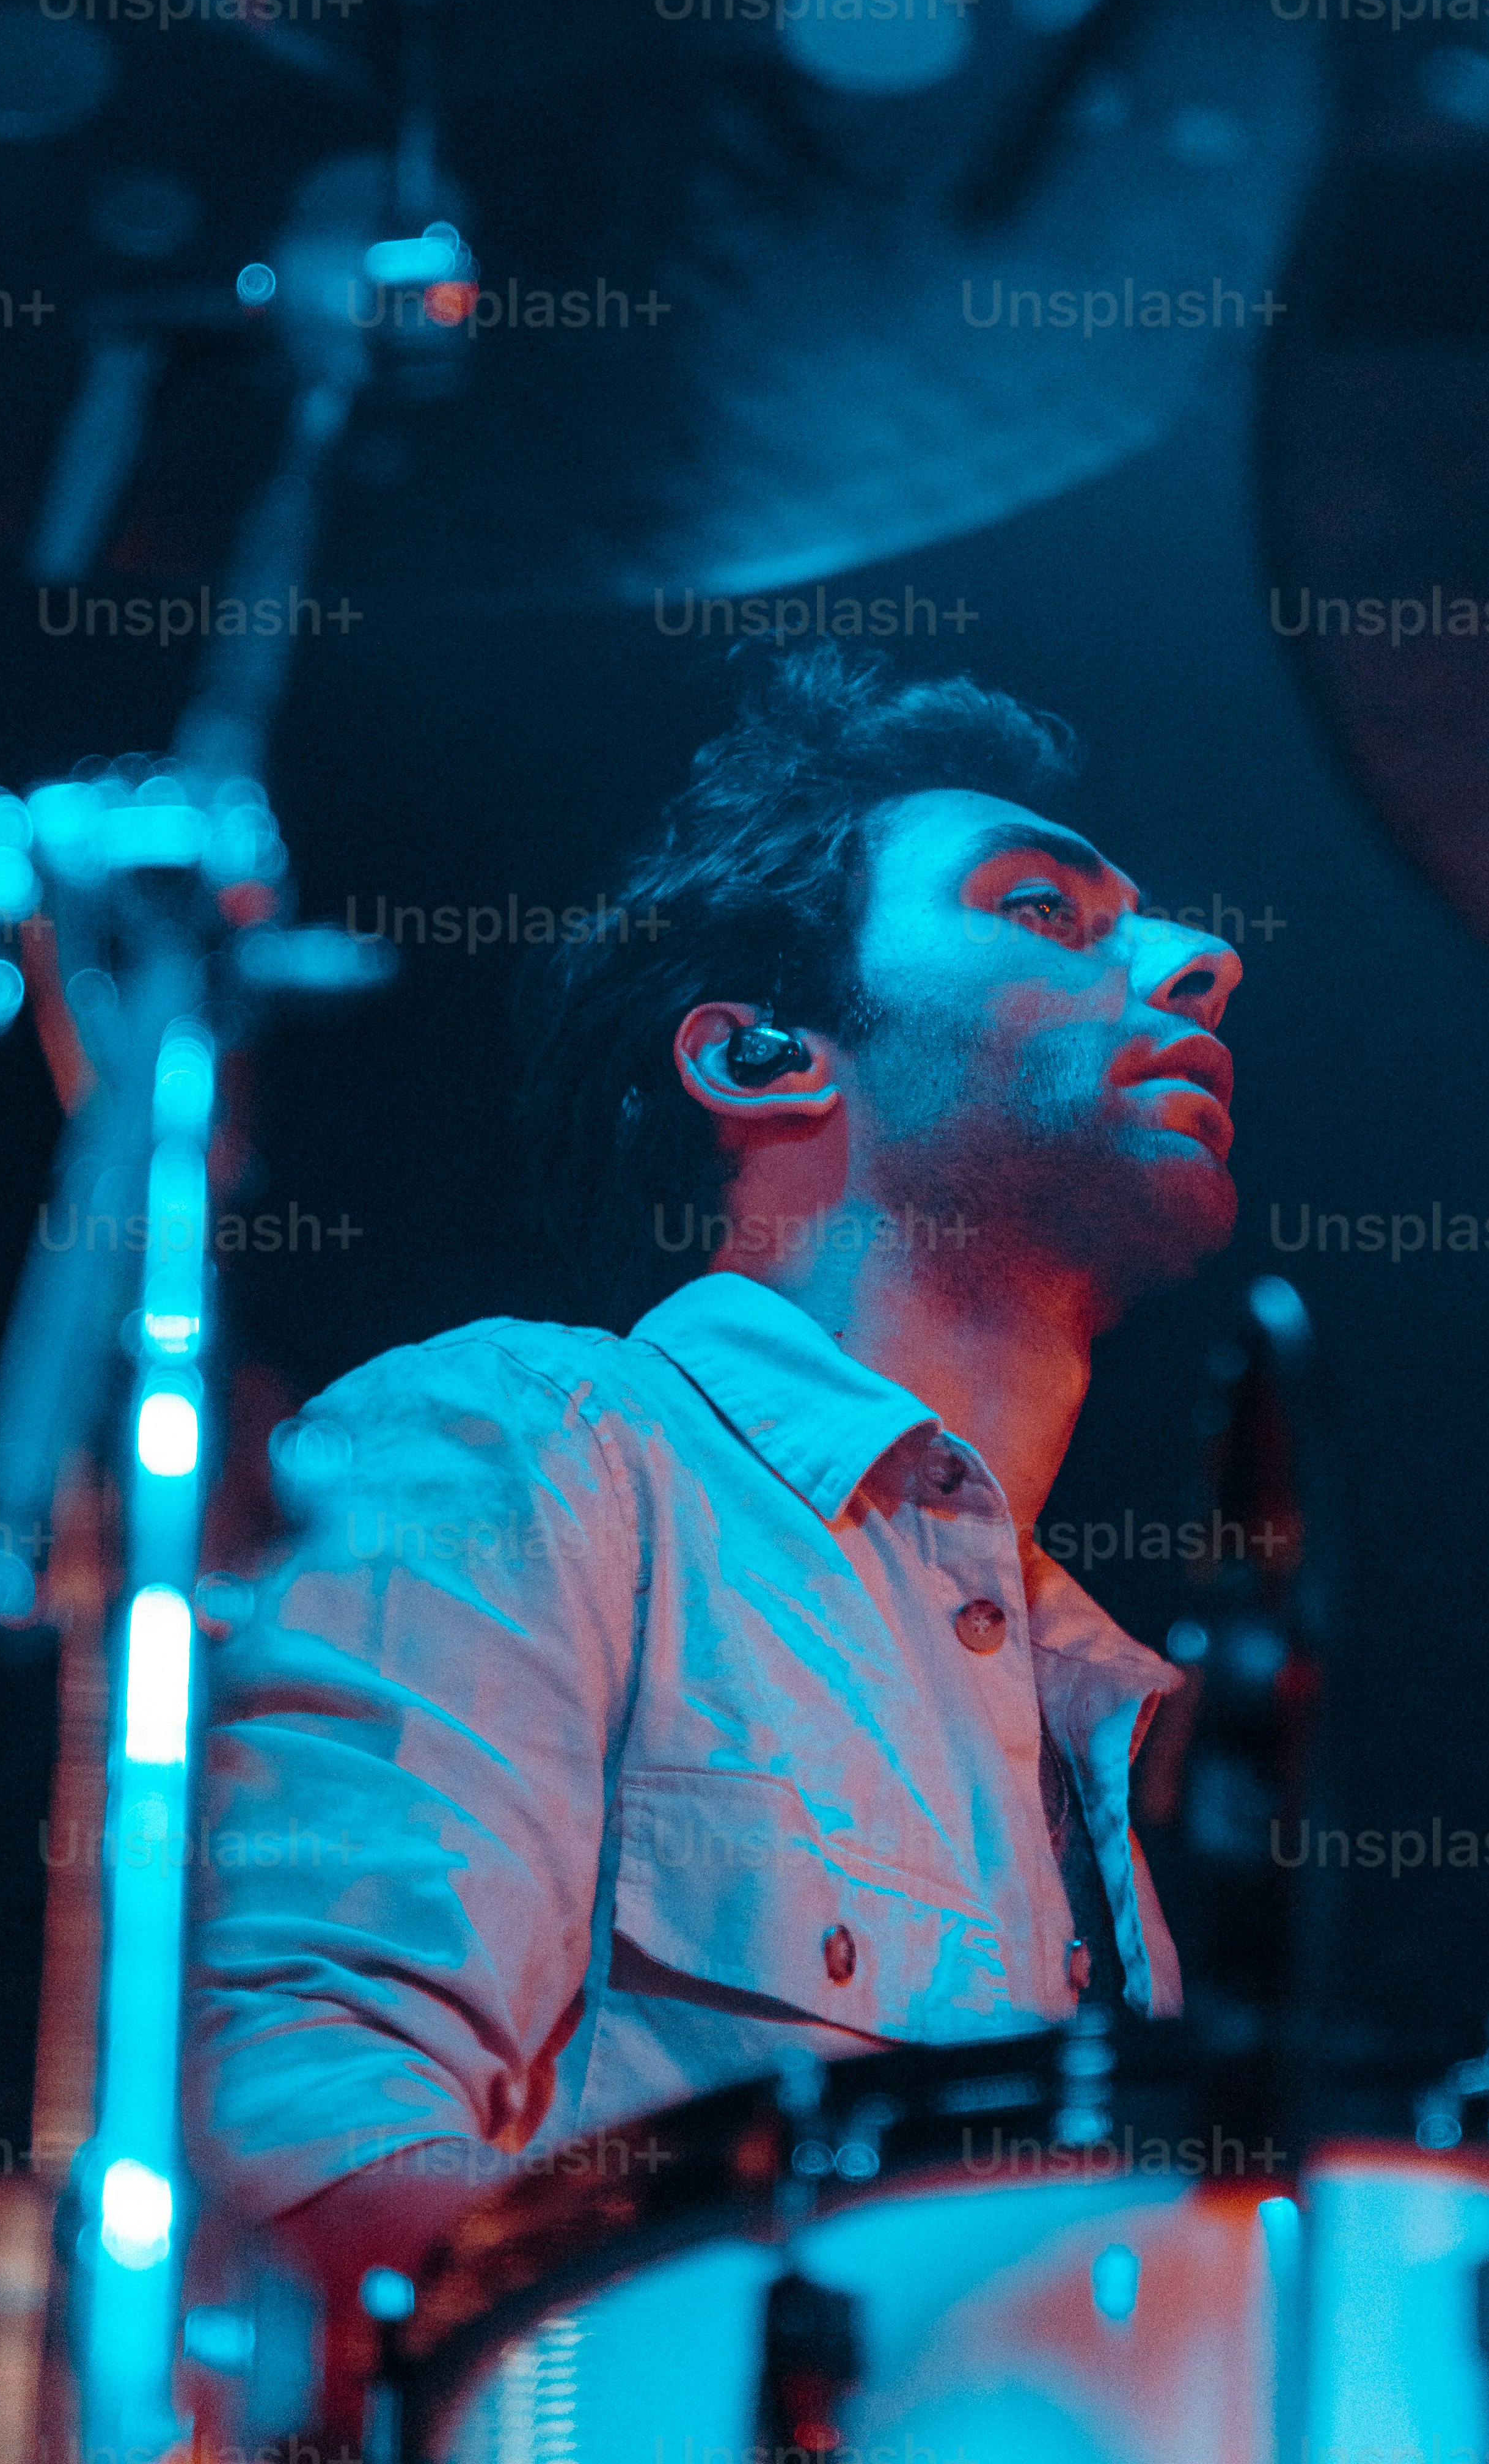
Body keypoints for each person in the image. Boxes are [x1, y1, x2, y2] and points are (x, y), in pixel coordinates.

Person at [189, 645, 1245, 2328]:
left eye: (1170, 926)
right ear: (765, 1060)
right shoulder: (537, 1440)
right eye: (1046, 911)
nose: (1204, 965)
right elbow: (286, 2144)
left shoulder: (1106, 1725)